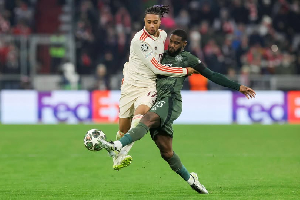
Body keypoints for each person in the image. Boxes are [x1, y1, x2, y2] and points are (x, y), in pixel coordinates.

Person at [96, 29, 256, 194]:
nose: (172, 45)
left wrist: (238, 87)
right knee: (166, 152)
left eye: (176, 43)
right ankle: (191, 178)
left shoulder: (188, 59)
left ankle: (116, 146)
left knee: (146, 119)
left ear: (184, 44)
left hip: (171, 101)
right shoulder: (160, 57)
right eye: (171, 41)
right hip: (157, 102)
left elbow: (211, 74)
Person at [112, 5, 196, 170]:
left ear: (159, 22)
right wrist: (183, 70)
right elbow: (157, 67)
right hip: (130, 86)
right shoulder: (139, 41)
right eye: (149, 22)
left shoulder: (163, 35)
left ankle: (117, 152)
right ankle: (117, 155)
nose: (151, 25)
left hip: (149, 85)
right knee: (123, 129)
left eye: (155, 22)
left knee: (140, 116)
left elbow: (160, 64)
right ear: (144, 21)